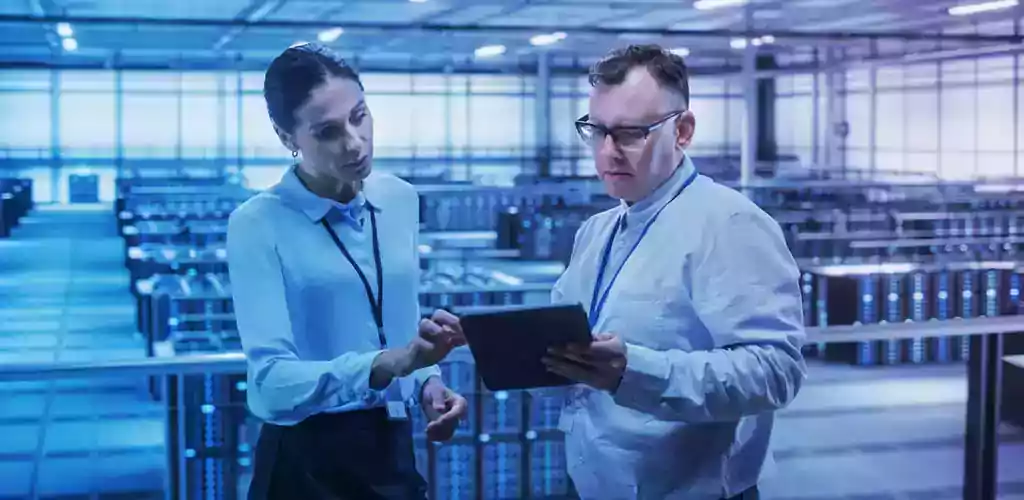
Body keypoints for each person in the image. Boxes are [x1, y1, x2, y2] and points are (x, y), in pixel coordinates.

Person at [542, 44, 807, 500]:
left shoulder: (728, 224)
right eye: (597, 131)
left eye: (629, 133)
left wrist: (634, 370)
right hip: (594, 482)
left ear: (682, 131)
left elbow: (775, 370)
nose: (608, 152)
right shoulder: (597, 231)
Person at [227, 43, 468, 500]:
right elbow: (272, 384)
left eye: (360, 116)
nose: (354, 142)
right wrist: (385, 365)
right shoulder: (257, 224)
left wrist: (426, 383)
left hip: (390, 449)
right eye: (327, 131)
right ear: (287, 137)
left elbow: (398, 333)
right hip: (304, 461)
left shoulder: (399, 200)